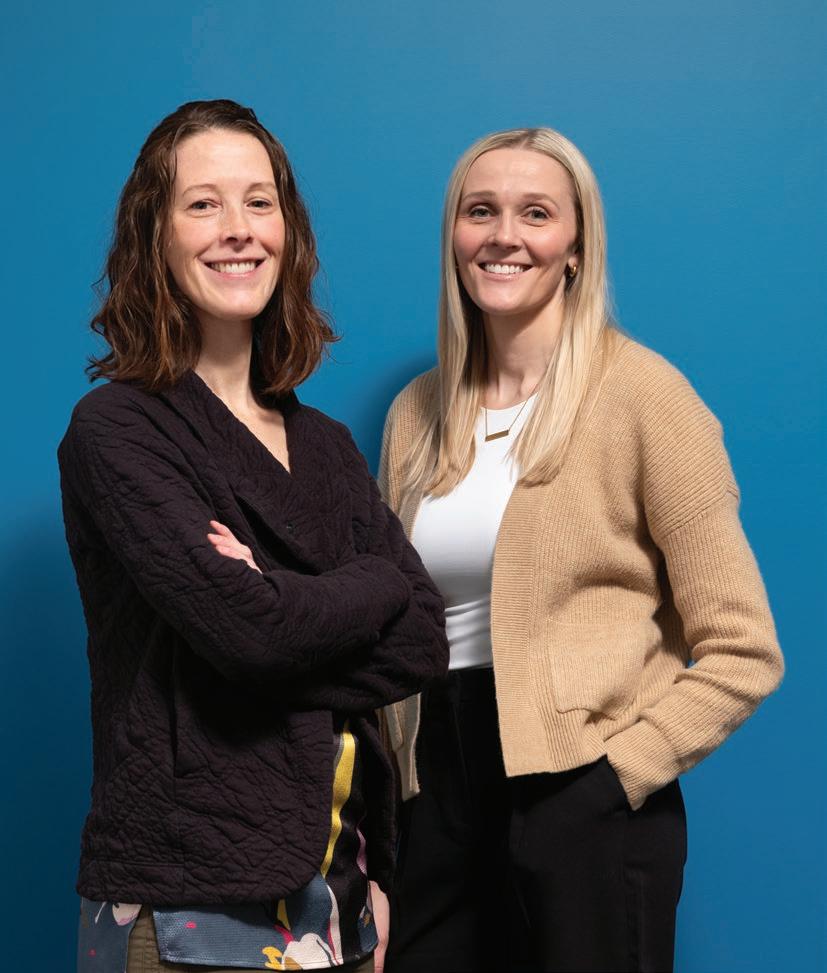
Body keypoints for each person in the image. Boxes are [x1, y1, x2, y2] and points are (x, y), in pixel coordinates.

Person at [378, 127, 784, 973]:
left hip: (582, 797)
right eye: (479, 211)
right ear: (453, 236)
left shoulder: (644, 397)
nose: (504, 235)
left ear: (576, 246)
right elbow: (391, 623)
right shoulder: (416, 413)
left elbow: (743, 650)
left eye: (535, 213)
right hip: (439, 795)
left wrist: (608, 782)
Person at [59, 99, 448, 973]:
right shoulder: (117, 429)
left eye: (258, 201)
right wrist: (365, 587)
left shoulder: (327, 446)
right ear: (154, 236)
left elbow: (421, 638)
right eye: (203, 204)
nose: (237, 228)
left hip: (341, 900)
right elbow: (249, 636)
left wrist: (273, 602)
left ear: (288, 230)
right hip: (187, 897)